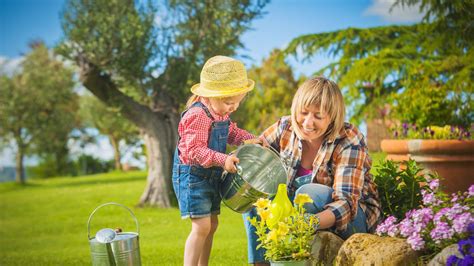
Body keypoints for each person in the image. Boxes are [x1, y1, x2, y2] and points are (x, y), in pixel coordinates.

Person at [243, 77, 382, 265]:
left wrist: (306, 224)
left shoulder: (349, 139)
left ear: (332, 117)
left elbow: (346, 204)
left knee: (307, 193)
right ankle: (262, 264)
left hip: (352, 218)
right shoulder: (285, 128)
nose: (308, 123)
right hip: (300, 215)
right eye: (304, 113)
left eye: (318, 116)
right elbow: (255, 160)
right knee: (255, 194)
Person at [172, 55, 258, 266]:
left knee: (212, 224)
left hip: (210, 175)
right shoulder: (197, 115)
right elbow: (194, 151)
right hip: (193, 177)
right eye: (229, 102)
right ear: (209, 96)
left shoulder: (220, 114)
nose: (233, 107)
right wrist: (223, 159)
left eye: (237, 103)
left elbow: (232, 133)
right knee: (201, 227)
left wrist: (251, 140)